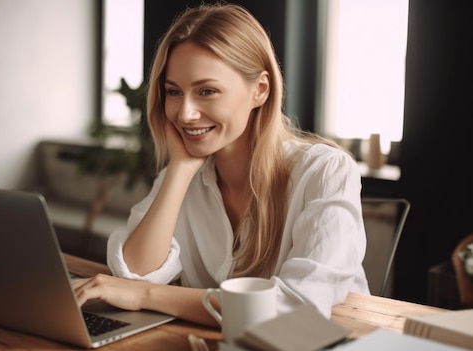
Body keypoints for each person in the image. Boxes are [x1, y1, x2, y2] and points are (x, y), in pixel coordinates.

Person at [73, 2, 370, 326]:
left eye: (207, 91)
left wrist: (146, 295)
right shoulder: (185, 175)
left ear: (260, 90)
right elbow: (134, 272)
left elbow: (296, 308)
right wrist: (181, 169)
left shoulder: (326, 172)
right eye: (174, 91)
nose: (185, 113)